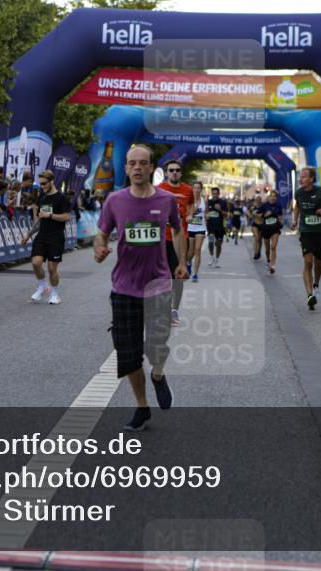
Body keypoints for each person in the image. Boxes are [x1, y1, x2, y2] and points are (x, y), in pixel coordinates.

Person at [94, 145, 186, 431]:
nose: (136, 168)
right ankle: (142, 407)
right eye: (131, 163)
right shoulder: (114, 201)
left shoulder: (167, 200)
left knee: (156, 347)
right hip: (123, 287)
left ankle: (158, 374)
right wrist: (100, 249)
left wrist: (181, 262)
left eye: (142, 163)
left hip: (157, 285)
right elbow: (102, 234)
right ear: (126, 168)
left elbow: (178, 229)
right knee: (129, 354)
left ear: (150, 168)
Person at [20, 170, 71, 305]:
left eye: (44, 183)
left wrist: (51, 215)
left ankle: (55, 294)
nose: (42, 186)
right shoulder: (42, 198)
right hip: (42, 235)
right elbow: (40, 220)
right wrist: (29, 234)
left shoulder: (61, 198)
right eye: (41, 184)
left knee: (51, 269)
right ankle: (43, 286)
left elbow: (67, 216)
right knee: (36, 263)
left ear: (52, 181)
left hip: (56, 237)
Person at [291, 167, 321, 310]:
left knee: (318, 263)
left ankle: (316, 284)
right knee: (308, 262)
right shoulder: (299, 193)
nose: (301, 179)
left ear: (311, 179)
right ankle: (310, 294)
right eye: (301, 177)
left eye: (304, 177)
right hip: (306, 232)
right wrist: (294, 220)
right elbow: (297, 206)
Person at [156, 161, 194, 325]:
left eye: (178, 170)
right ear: (166, 173)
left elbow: (191, 204)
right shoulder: (158, 189)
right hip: (162, 239)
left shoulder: (188, 190)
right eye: (171, 170)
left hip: (180, 239)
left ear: (181, 173)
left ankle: (174, 311)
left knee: (178, 276)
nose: (175, 173)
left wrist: (190, 214)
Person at [258, 189, 284, 274]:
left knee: (273, 247)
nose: (273, 198)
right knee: (267, 248)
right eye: (271, 196)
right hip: (266, 229)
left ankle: (272, 266)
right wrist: (264, 215)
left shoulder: (278, 205)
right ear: (269, 197)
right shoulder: (264, 205)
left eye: (274, 196)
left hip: (275, 228)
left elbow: (280, 215)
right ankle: (268, 260)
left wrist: (280, 221)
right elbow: (256, 214)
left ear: (276, 198)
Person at [186, 181, 206, 282]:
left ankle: (195, 274)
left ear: (201, 189)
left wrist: (208, 229)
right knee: (191, 252)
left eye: (198, 188)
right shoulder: (188, 201)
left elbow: (206, 215)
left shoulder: (204, 201)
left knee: (197, 250)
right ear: (192, 189)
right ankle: (188, 262)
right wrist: (190, 215)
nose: (197, 190)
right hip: (190, 228)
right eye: (195, 188)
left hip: (201, 229)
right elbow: (185, 214)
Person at [205, 186, 228, 268]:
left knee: (218, 244)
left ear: (218, 194)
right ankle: (211, 256)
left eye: (216, 194)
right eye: (213, 193)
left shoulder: (223, 202)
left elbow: (226, 214)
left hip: (220, 227)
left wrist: (220, 209)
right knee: (211, 241)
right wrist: (206, 216)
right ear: (212, 194)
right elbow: (206, 212)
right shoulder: (209, 202)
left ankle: (217, 259)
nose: (214, 195)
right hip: (210, 226)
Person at [249, 193, 263, 260]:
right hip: (255, 224)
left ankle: (259, 251)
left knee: (260, 240)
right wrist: (250, 215)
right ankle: (255, 252)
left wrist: (256, 214)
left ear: (261, 200)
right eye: (257, 200)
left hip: (262, 224)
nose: (258, 201)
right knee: (256, 238)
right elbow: (248, 212)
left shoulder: (263, 207)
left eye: (259, 200)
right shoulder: (253, 207)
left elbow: (262, 215)